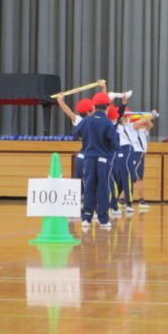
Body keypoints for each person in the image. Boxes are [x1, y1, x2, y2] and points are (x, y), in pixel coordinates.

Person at [72, 92, 119, 231]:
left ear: (94, 106)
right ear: (108, 107)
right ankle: (103, 219)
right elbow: (115, 143)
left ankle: (86, 218)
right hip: (104, 159)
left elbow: (75, 134)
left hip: (89, 158)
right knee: (103, 188)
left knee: (89, 187)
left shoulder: (86, 121)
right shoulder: (108, 123)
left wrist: (87, 140)